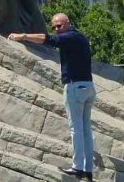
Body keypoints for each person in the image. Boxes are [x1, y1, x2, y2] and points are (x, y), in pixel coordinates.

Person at [8, 13, 95, 180]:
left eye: (59, 26)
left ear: (68, 23)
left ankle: (77, 167)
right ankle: (88, 170)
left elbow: (47, 40)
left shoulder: (69, 37)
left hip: (75, 87)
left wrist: (22, 36)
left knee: (75, 128)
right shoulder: (80, 37)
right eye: (54, 27)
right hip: (88, 87)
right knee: (85, 129)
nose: (56, 30)